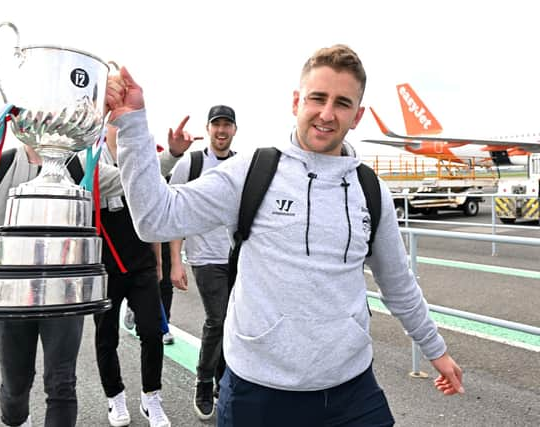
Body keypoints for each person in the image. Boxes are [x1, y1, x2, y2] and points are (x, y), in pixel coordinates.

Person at [108, 45, 464, 427]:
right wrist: (131, 123)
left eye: (342, 103)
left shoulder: (369, 189)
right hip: (258, 392)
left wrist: (435, 349)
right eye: (317, 98)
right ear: (297, 101)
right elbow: (154, 219)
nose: (327, 114)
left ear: (357, 115)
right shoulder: (253, 171)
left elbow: (398, 283)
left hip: (351, 390)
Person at [0, 80, 186, 427]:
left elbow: (133, 181)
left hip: (63, 298)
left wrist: (171, 154)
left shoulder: (82, 169)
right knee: (15, 386)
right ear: (20, 118)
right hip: (9, 299)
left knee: (62, 384)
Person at [93, 123, 194, 427]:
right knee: (105, 335)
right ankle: (115, 396)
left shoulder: (142, 154)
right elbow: (135, 180)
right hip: (103, 265)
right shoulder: (88, 159)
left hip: (140, 264)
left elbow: (152, 206)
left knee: (152, 332)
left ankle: (152, 396)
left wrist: (160, 262)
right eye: (113, 120)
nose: (119, 126)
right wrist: (170, 157)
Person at [167, 105, 237, 419]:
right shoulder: (191, 163)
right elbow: (174, 214)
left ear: (234, 130)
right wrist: (174, 263)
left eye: (227, 125)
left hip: (237, 257)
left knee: (235, 323)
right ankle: (204, 380)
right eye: (216, 125)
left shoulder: (243, 165)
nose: (222, 131)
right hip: (205, 257)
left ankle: (225, 380)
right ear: (209, 129)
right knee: (218, 319)